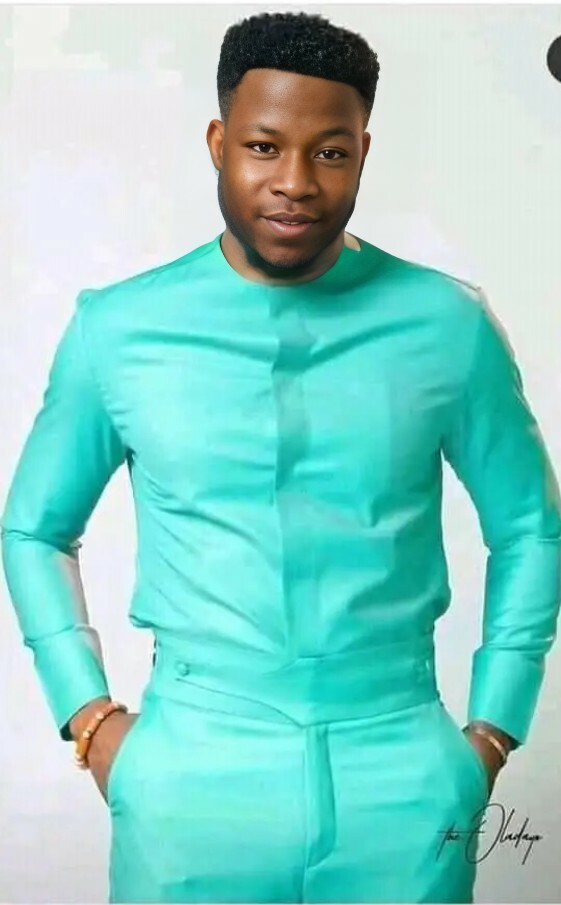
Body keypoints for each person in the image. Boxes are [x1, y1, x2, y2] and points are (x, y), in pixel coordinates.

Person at [1, 10, 560, 904]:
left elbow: (530, 527)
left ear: (362, 154)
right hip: (190, 778)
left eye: (329, 152)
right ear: (218, 143)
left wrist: (493, 729)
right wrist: (90, 719)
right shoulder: (119, 329)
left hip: (401, 772)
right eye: (263, 147)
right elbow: (33, 529)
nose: (294, 182)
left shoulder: (447, 324)